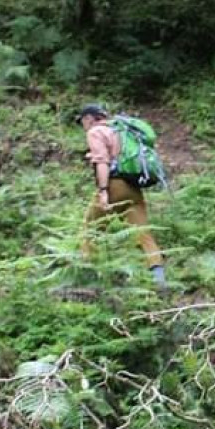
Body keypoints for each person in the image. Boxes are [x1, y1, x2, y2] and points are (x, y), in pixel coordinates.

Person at [77, 103, 167, 290]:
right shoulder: (123, 130)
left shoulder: (96, 131)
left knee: (90, 229)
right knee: (143, 233)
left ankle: (87, 278)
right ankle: (159, 279)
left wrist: (103, 191)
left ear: (89, 118)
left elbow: (102, 162)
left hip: (114, 185)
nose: (83, 126)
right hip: (133, 187)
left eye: (83, 122)